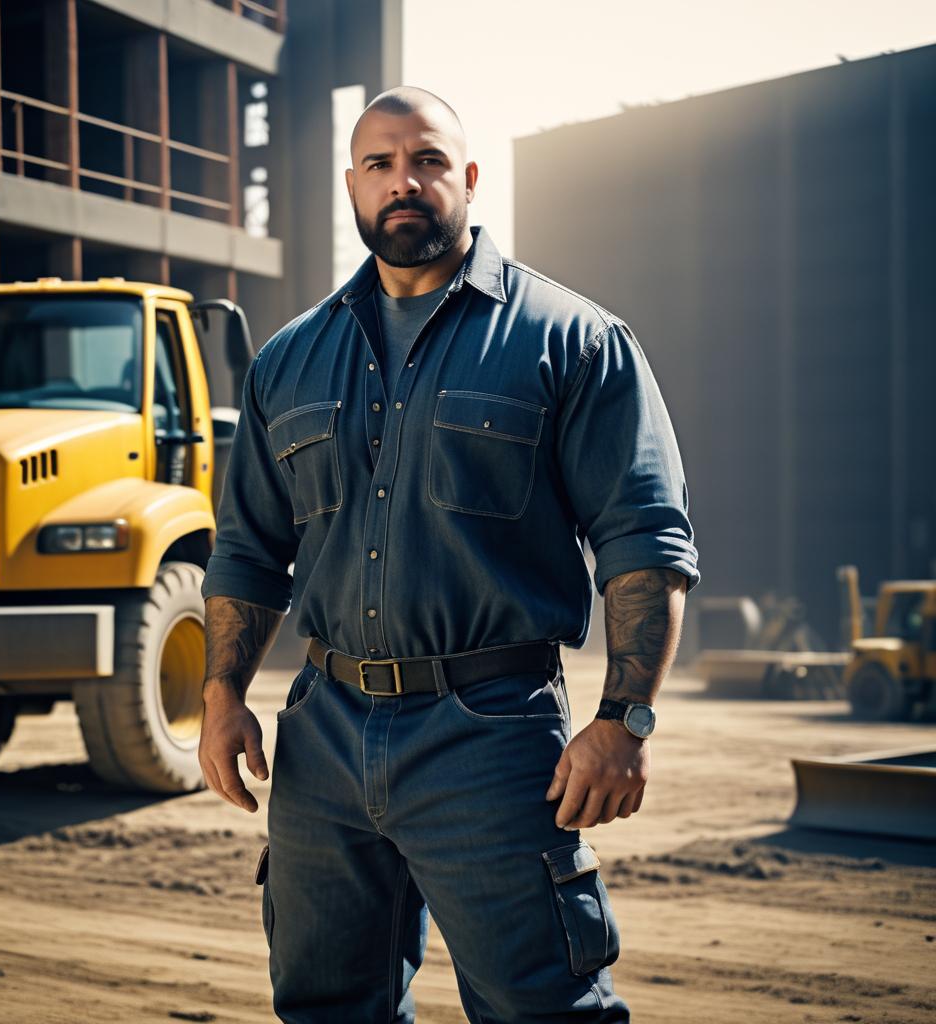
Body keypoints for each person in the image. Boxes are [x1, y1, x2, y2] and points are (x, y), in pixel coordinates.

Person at [198, 85, 699, 1024]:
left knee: (543, 1010)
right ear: (352, 186)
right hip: (325, 737)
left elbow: (646, 540)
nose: (405, 183)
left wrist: (625, 719)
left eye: (427, 161)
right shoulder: (289, 362)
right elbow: (248, 550)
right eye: (381, 164)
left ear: (467, 178)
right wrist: (223, 694)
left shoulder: (571, 340)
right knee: (324, 1007)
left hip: (494, 737)